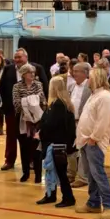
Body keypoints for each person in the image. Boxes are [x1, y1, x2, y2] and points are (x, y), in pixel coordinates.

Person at [74, 68, 110, 219]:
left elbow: (103, 122)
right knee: (91, 175)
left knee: (98, 174)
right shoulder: (94, 95)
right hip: (86, 141)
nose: (88, 81)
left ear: (97, 78)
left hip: (94, 142)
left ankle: (109, 205)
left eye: (90, 78)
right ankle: (93, 203)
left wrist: (94, 138)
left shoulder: (104, 97)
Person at [36, 76, 77, 208]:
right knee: (52, 171)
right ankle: (50, 194)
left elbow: (52, 124)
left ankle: (68, 197)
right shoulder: (63, 104)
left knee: (60, 172)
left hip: (57, 143)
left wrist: (41, 131)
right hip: (57, 143)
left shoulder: (58, 104)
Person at [12, 63, 47, 183]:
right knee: (24, 147)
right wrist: (31, 102)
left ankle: (38, 174)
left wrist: (26, 102)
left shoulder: (38, 84)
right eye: (29, 72)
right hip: (22, 121)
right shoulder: (16, 86)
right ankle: (25, 172)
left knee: (37, 148)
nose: (32, 74)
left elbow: (41, 100)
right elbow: (17, 104)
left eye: (33, 72)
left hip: (37, 121)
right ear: (23, 74)